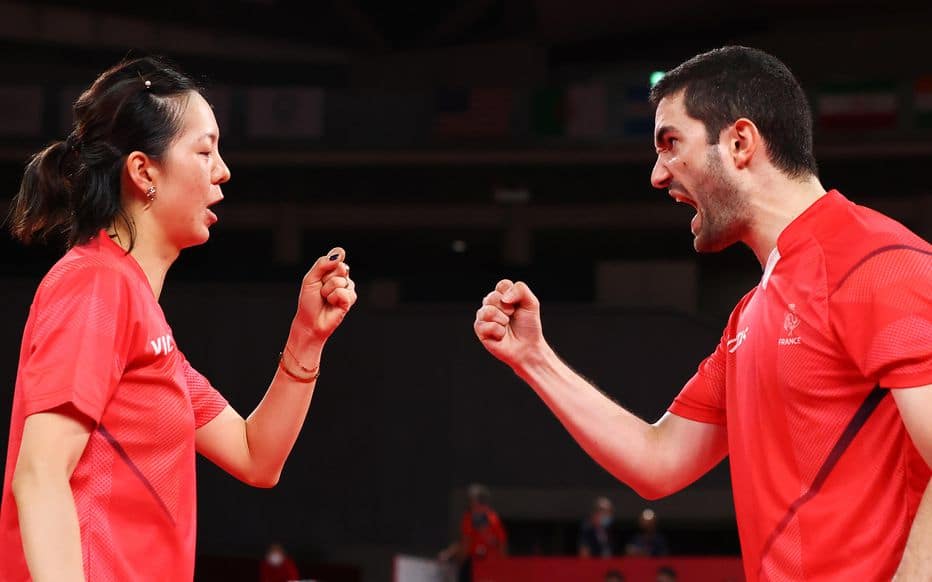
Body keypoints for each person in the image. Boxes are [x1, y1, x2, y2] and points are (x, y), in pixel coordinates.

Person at [473, 46, 932, 581]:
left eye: (671, 144)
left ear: (739, 143)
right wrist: (534, 359)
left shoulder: (877, 263)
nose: (658, 175)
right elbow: (659, 461)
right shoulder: (749, 315)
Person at [0, 56, 357, 581]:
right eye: (205, 150)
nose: (223, 171)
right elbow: (39, 475)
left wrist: (308, 336)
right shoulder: (95, 284)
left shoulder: (145, 321)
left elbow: (256, 456)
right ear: (144, 171)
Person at [438, 483, 508, 582]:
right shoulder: (492, 518)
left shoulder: (477, 518)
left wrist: (457, 559)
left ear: (476, 501)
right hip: (484, 565)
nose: (469, 503)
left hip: (480, 564)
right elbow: (502, 546)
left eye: (471, 500)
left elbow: (466, 544)